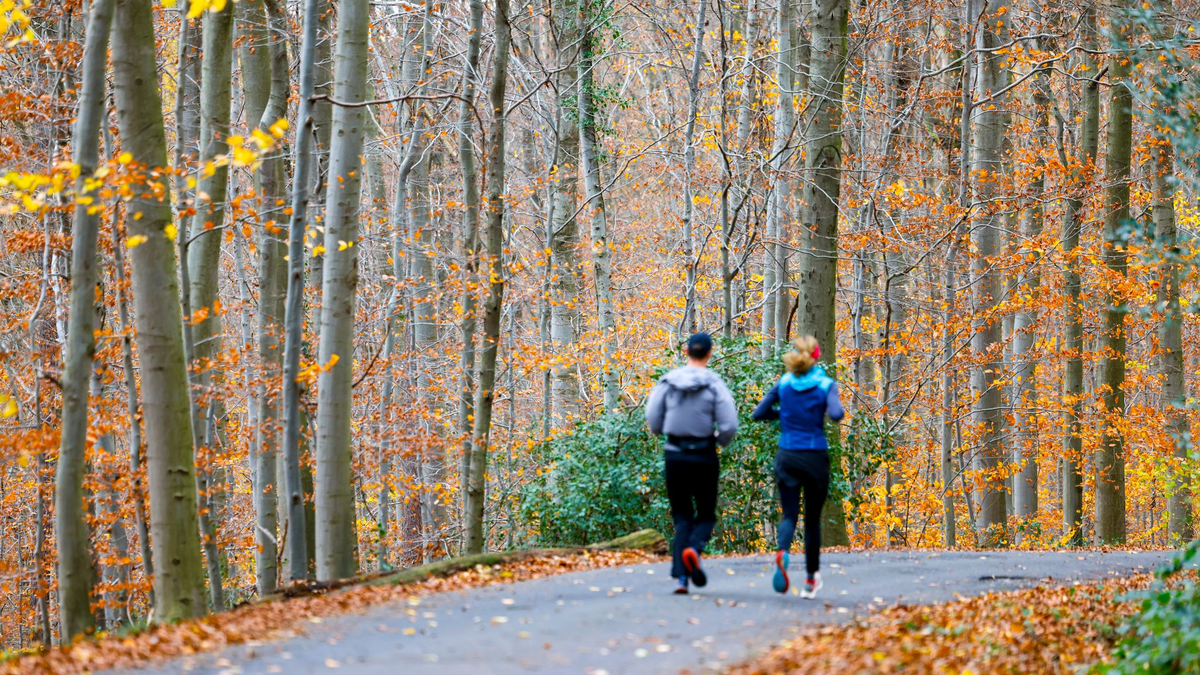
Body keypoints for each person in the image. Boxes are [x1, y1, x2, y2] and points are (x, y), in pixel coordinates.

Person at [645, 332, 739, 595]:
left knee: (682, 516)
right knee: (706, 514)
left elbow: (652, 416)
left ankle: (681, 579)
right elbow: (730, 424)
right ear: (709, 353)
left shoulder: (668, 381)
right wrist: (718, 440)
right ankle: (694, 550)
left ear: (686, 351)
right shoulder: (714, 384)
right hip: (704, 455)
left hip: (675, 454)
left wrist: (661, 431)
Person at [752, 336, 844, 599]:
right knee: (812, 521)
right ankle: (810, 580)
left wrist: (782, 414)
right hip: (814, 457)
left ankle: (783, 550)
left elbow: (758, 413)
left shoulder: (783, 383)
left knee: (789, 515)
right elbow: (837, 414)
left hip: (787, 455)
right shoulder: (825, 384)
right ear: (816, 357)